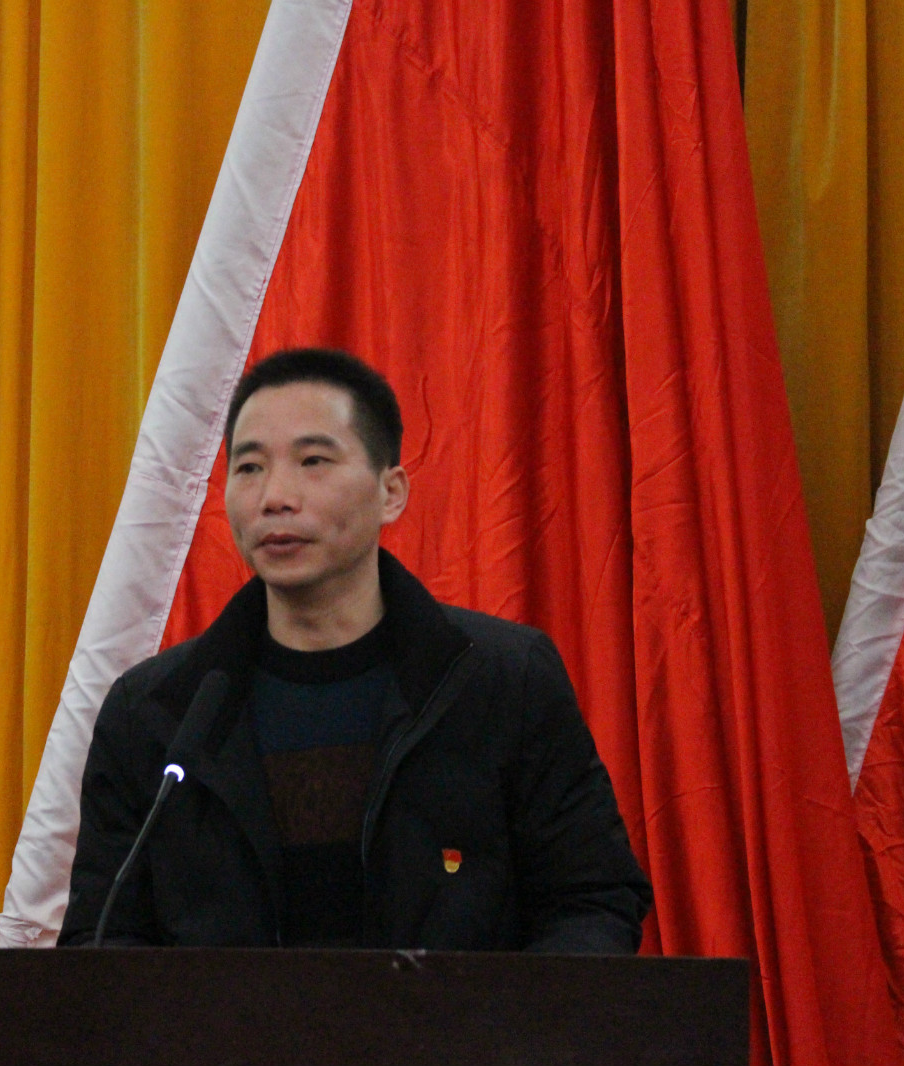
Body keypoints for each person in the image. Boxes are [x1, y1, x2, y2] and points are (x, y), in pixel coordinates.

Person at [61, 347, 651, 951]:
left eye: (313, 461)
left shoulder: (503, 681)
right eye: (249, 467)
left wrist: (500, 1014)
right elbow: (102, 939)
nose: (275, 496)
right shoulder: (156, 711)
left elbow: (592, 902)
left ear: (390, 492)